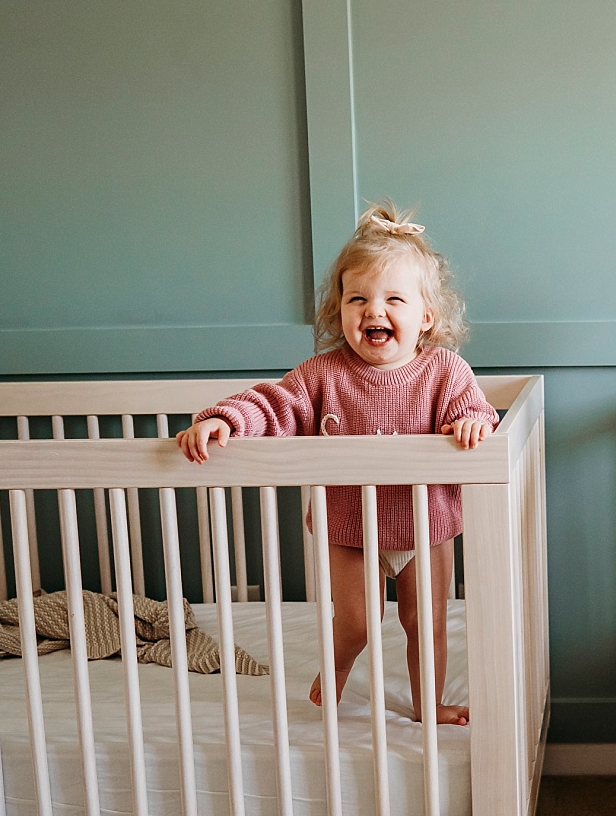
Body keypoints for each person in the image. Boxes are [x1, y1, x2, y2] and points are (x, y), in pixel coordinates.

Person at [178, 204, 495, 725]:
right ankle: (339, 665)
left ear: (426, 317)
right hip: (349, 526)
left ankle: (427, 704)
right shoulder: (322, 374)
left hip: (425, 526)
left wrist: (472, 424)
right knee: (355, 623)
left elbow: (474, 409)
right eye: (358, 299)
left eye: (394, 298)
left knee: (428, 621)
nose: (374, 310)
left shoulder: (444, 370)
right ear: (339, 310)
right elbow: (274, 404)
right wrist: (229, 421)